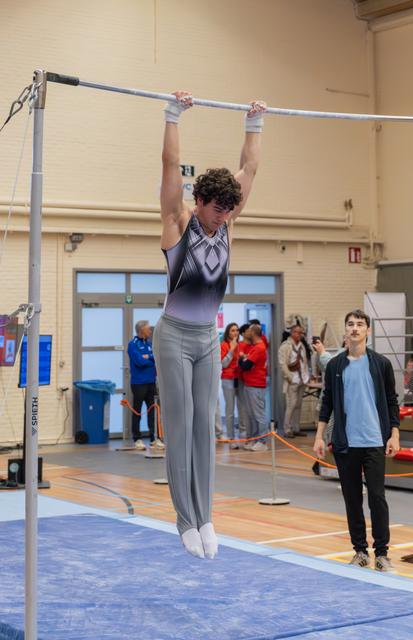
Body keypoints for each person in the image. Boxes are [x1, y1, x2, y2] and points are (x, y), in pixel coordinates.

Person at [152, 90, 267, 559]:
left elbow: (250, 168)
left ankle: (206, 515)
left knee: (206, 427)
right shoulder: (179, 222)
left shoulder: (229, 223)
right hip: (173, 335)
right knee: (180, 427)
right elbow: (168, 167)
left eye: (229, 209)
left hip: (206, 338)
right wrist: (173, 114)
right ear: (199, 201)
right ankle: (184, 519)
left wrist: (254, 123)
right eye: (217, 208)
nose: (223, 217)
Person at [313, 309, 400, 572]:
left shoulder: (381, 364)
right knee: (352, 499)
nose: (354, 328)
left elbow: (392, 401)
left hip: (374, 441)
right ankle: (360, 551)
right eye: (350, 324)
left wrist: (394, 434)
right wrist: (319, 435)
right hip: (345, 444)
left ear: (368, 331)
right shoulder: (336, 366)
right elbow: (326, 402)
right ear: (345, 331)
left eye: (359, 324)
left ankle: (382, 553)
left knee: (377, 498)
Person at [127, 321, 163, 450]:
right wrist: (150, 360)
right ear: (141, 330)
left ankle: (154, 438)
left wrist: (149, 356)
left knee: (153, 410)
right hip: (138, 383)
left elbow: (157, 357)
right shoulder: (133, 344)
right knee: (137, 410)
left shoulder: (149, 344)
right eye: (148, 328)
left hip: (151, 382)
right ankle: (137, 439)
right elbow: (139, 361)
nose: (150, 331)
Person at [239, 324, 268, 452]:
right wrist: (243, 360)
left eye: (249, 331)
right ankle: (255, 439)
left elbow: (245, 365)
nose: (246, 333)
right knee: (251, 414)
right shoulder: (254, 348)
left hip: (256, 385)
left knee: (258, 415)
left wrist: (241, 359)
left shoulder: (259, 348)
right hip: (249, 384)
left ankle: (262, 441)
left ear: (253, 332)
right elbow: (246, 364)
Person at [278, 324, 310, 438]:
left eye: (300, 332)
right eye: (297, 332)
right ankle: (287, 429)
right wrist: (289, 377)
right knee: (291, 405)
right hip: (292, 379)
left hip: (302, 378)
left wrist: (306, 377)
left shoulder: (302, 346)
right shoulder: (285, 346)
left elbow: (304, 362)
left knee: (299, 405)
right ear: (292, 333)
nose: (299, 334)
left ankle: (296, 428)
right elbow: (283, 364)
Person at [220, 322, 241, 449]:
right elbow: (223, 364)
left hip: (239, 378)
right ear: (228, 332)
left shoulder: (240, 345)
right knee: (230, 411)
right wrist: (231, 350)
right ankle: (231, 438)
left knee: (242, 409)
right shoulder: (223, 345)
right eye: (233, 330)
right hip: (228, 379)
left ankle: (243, 436)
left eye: (237, 330)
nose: (235, 333)